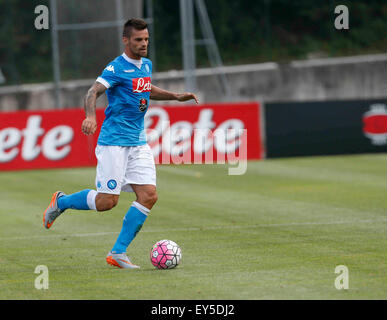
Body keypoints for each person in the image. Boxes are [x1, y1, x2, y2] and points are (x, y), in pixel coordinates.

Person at [42, 18, 198, 269]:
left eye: (146, 39)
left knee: (149, 196)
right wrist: (91, 116)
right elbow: (92, 92)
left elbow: (146, 89)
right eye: (138, 40)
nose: (144, 43)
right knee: (107, 202)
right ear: (126, 40)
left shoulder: (145, 64)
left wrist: (175, 96)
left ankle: (118, 253)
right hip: (114, 142)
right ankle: (61, 202)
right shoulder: (115, 68)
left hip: (138, 142)